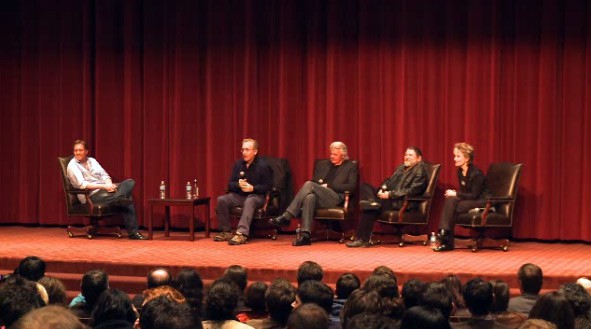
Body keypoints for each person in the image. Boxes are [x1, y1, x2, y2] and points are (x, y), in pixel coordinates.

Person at [269, 141, 359, 246]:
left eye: (335, 154)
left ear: (343, 155)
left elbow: (351, 187)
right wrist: (320, 186)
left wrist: (329, 186)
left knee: (308, 184)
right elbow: (315, 182)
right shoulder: (324, 165)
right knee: (309, 197)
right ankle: (305, 235)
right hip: (320, 196)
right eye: (331, 154)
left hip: (336, 198)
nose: (332, 156)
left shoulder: (350, 166)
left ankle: (287, 216)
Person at [346, 146, 428, 247]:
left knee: (370, 208)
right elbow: (389, 181)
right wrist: (383, 187)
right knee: (365, 187)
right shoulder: (401, 167)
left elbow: (413, 190)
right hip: (390, 197)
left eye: (410, 155)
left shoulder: (420, 171)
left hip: (402, 202)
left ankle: (362, 239)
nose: (406, 157)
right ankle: (372, 202)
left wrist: (389, 194)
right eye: (406, 155)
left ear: (419, 158)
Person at [66, 139, 147, 240]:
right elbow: (83, 185)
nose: (78, 152)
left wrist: (109, 184)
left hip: (104, 190)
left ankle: (119, 197)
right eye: (76, 150)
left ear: (86, 151)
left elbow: (104, 174)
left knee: (130, 182)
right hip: (90, 196)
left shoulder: (92, 161)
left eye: (80, 150)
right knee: (128, 197)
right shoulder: (72, 166)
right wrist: (104, 186)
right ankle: (133, 233)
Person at [214, 138, 272, 245]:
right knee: (222, 200)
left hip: (257, 196)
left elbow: (268, 187)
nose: (244, 152)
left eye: (247, 150)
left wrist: (253, 188)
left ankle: (241, 234)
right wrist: (238, 185)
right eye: (243, 150)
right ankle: (226, 231)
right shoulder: (238, 165)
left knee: (250, 201)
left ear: (255, 151)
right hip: (240, 195)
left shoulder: (263, 166)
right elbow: (230, 184)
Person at [434, 142, 489, 252]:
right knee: (451, 200)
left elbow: (474, 195)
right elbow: (465, 193)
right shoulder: (460, 172)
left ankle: (446, 238)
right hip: (470, 199)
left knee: (452, 207)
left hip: (481, 201)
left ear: (467, 158)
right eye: (455, 156)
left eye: (458, 156)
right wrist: (455, 194)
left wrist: (457, 194)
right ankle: (445, 235)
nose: (455, 158)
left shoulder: (476, 174)